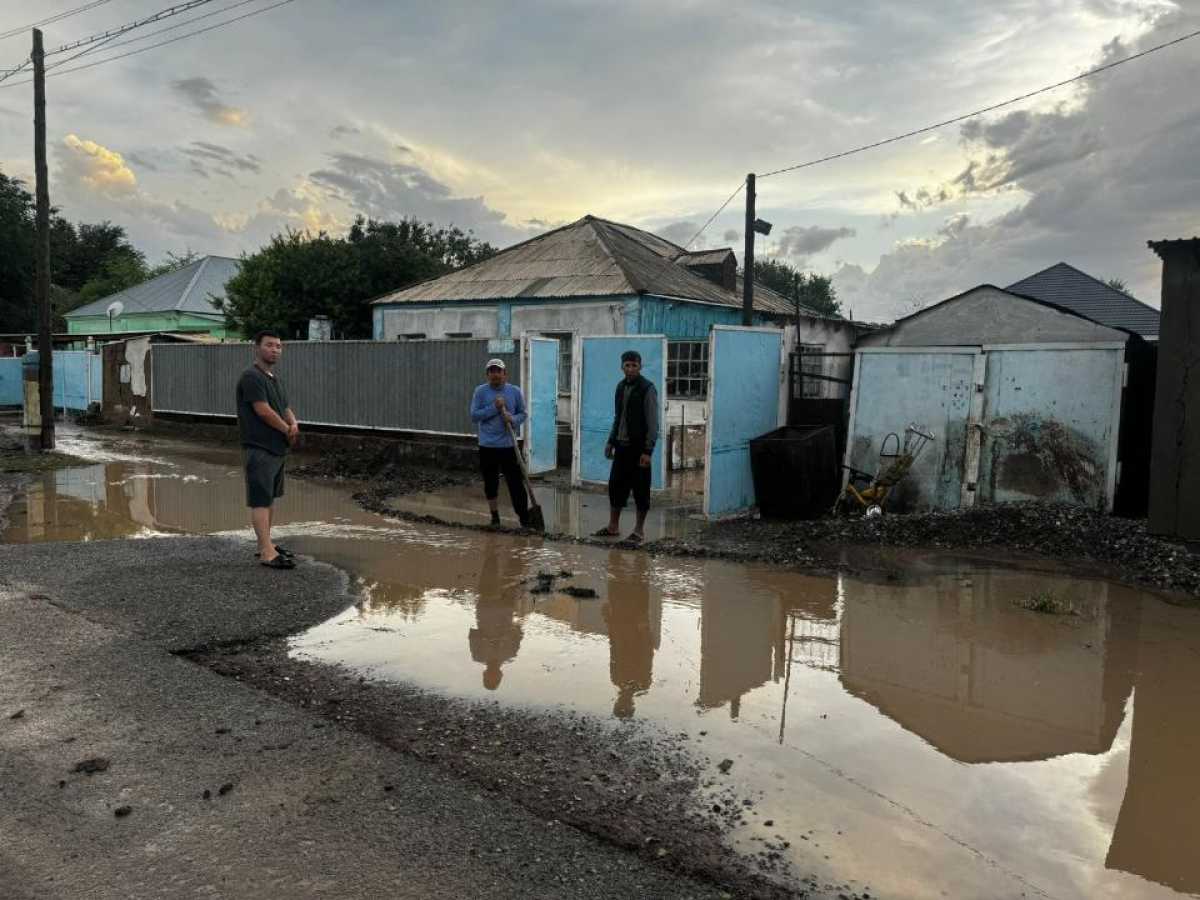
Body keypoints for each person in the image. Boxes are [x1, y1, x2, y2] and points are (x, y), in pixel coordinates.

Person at [236, 330, 299, 570]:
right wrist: (286, 429)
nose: (275, 350)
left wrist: (294, 424)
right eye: (270, 345)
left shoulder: (273, 378)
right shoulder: (251, 377)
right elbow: (262, 410)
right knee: (260, 500)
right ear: (257, 348)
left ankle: (268, 544)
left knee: (270, 498)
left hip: (277, 447)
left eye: (279, 346)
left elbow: (284, 407)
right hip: (259, 447)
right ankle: (266, 552)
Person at [594, 350, 658, 543]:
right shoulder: (620, 387)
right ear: (622, 367)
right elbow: (618, 417)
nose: (630, 369)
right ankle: (613, 526)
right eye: (627, 365)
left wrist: (648, 451)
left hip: (639, 449)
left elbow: (653, 423)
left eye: (634, 365)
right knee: (616, 487)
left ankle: (639, 531)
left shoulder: (648, 389)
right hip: (621, 447)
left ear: (640, 366)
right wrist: (611, 441)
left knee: (640, 490)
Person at [469, 358, 530, 528]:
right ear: (487, 375)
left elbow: (523, 413)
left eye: (498, 371)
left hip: (508, 446)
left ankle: (524, 518)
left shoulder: (515, 391)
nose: (495, 374)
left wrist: (512, 418)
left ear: (505, 374)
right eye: (491, 371)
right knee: (490, 482)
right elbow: (474, 416)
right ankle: (494, 517)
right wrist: (494, 408)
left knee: (516, 483)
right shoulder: (480, 392)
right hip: (487, 446)